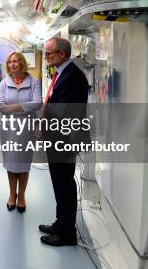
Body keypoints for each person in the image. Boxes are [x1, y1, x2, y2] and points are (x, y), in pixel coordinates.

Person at [39, 37, 89, 247]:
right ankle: (61, 223)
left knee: (64, 186)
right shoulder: (64, 74)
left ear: (62, 54)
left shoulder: (72, 77)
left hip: (64, 140)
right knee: (60, 184)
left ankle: (67, 234)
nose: (46, 57)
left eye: (49, 54)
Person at [0, 51, 41, 213]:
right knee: (10, 162)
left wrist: (13, 107)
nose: (12, 64)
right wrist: (24, 107)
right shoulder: (4, 83)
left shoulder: (34, 82)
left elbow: (37, 103)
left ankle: (21, 196)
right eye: (10, 62)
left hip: (27, 128)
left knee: (23, 163)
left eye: (15, 61)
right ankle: (11, 194)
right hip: (8, 127)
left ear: (22, 63)